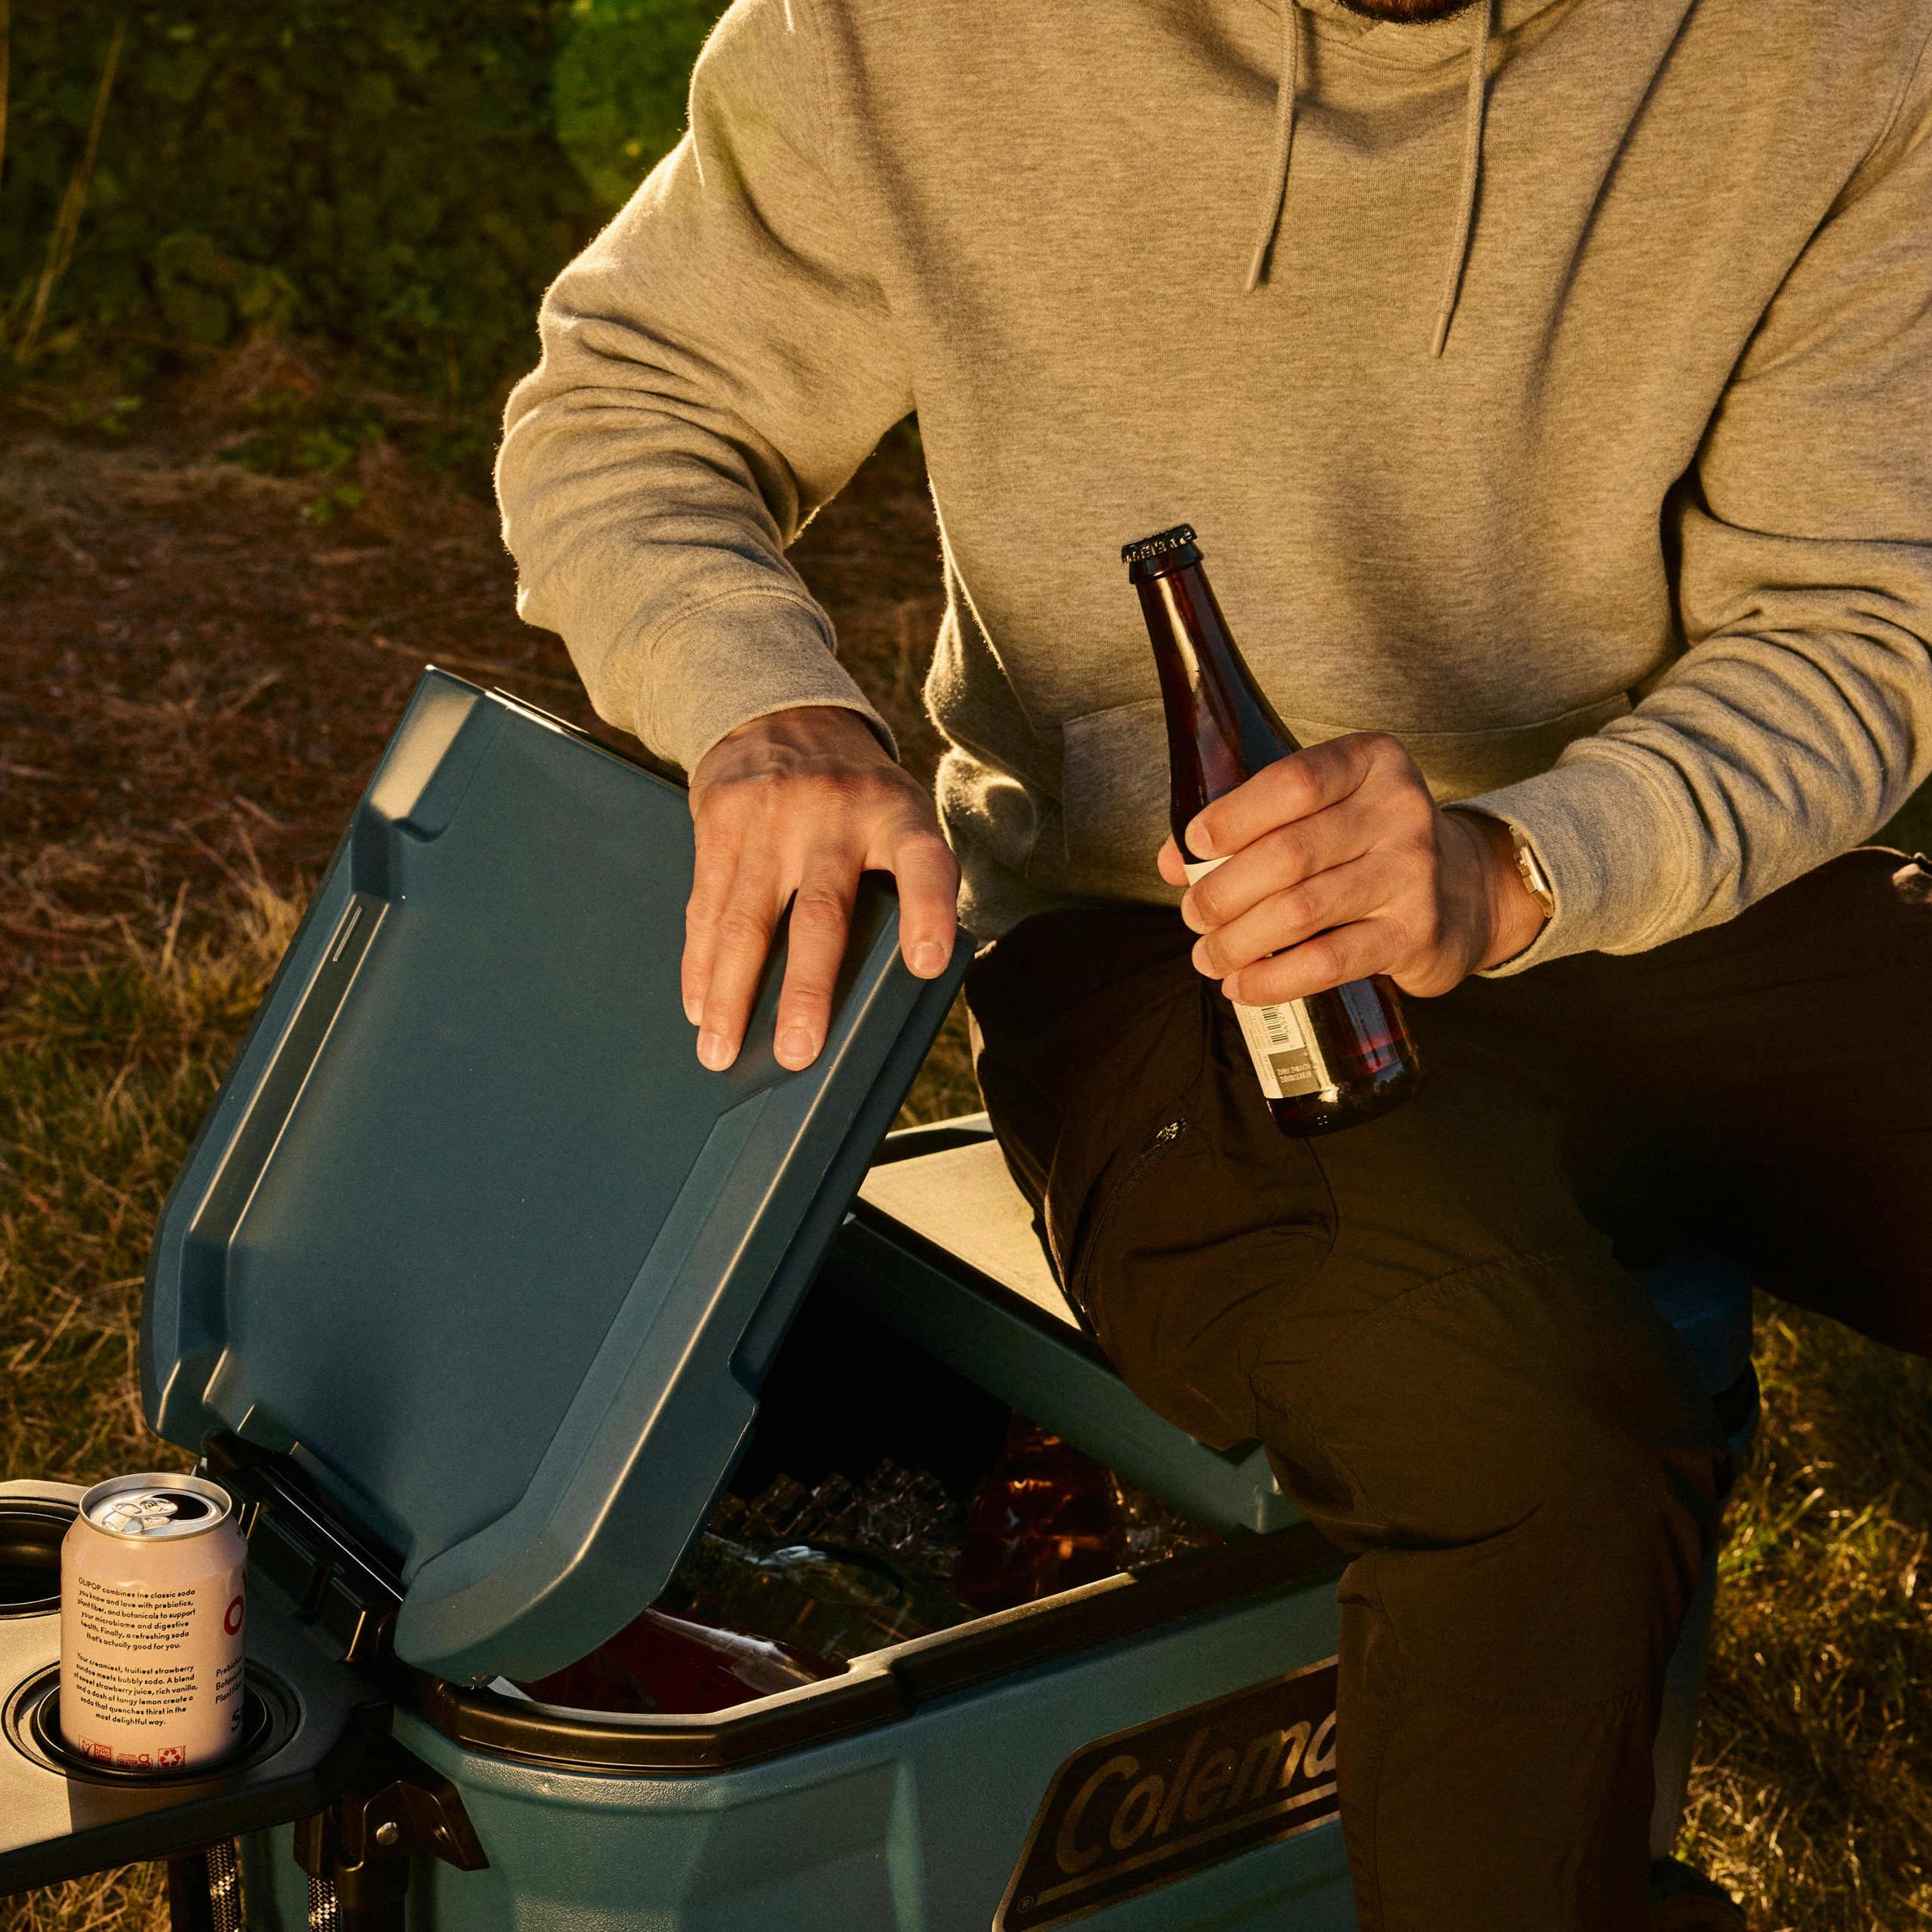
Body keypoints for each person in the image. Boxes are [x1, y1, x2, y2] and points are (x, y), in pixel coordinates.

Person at [497, 0, 1932, 1923]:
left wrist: (1515, 861)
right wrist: (765, 704)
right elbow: (626, 402)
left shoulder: (1838, 42)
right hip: (1159, 946)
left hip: (1635, 860)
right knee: (1530, 1445)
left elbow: (1856, 619)